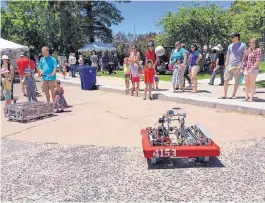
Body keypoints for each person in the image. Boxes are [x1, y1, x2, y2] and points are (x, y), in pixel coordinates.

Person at [220, 32, 246, 99]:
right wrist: (226, 63)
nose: (231, 38)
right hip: (230, 65)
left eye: (232, 37)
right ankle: (224, 95)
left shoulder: (243, 45)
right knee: (226, 80)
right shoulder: (230, 45)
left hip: (238, 66)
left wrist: (242, 66)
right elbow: (228, 55)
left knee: (237, 81)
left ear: (237, 37)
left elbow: (244, 56)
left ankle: (234, 94)